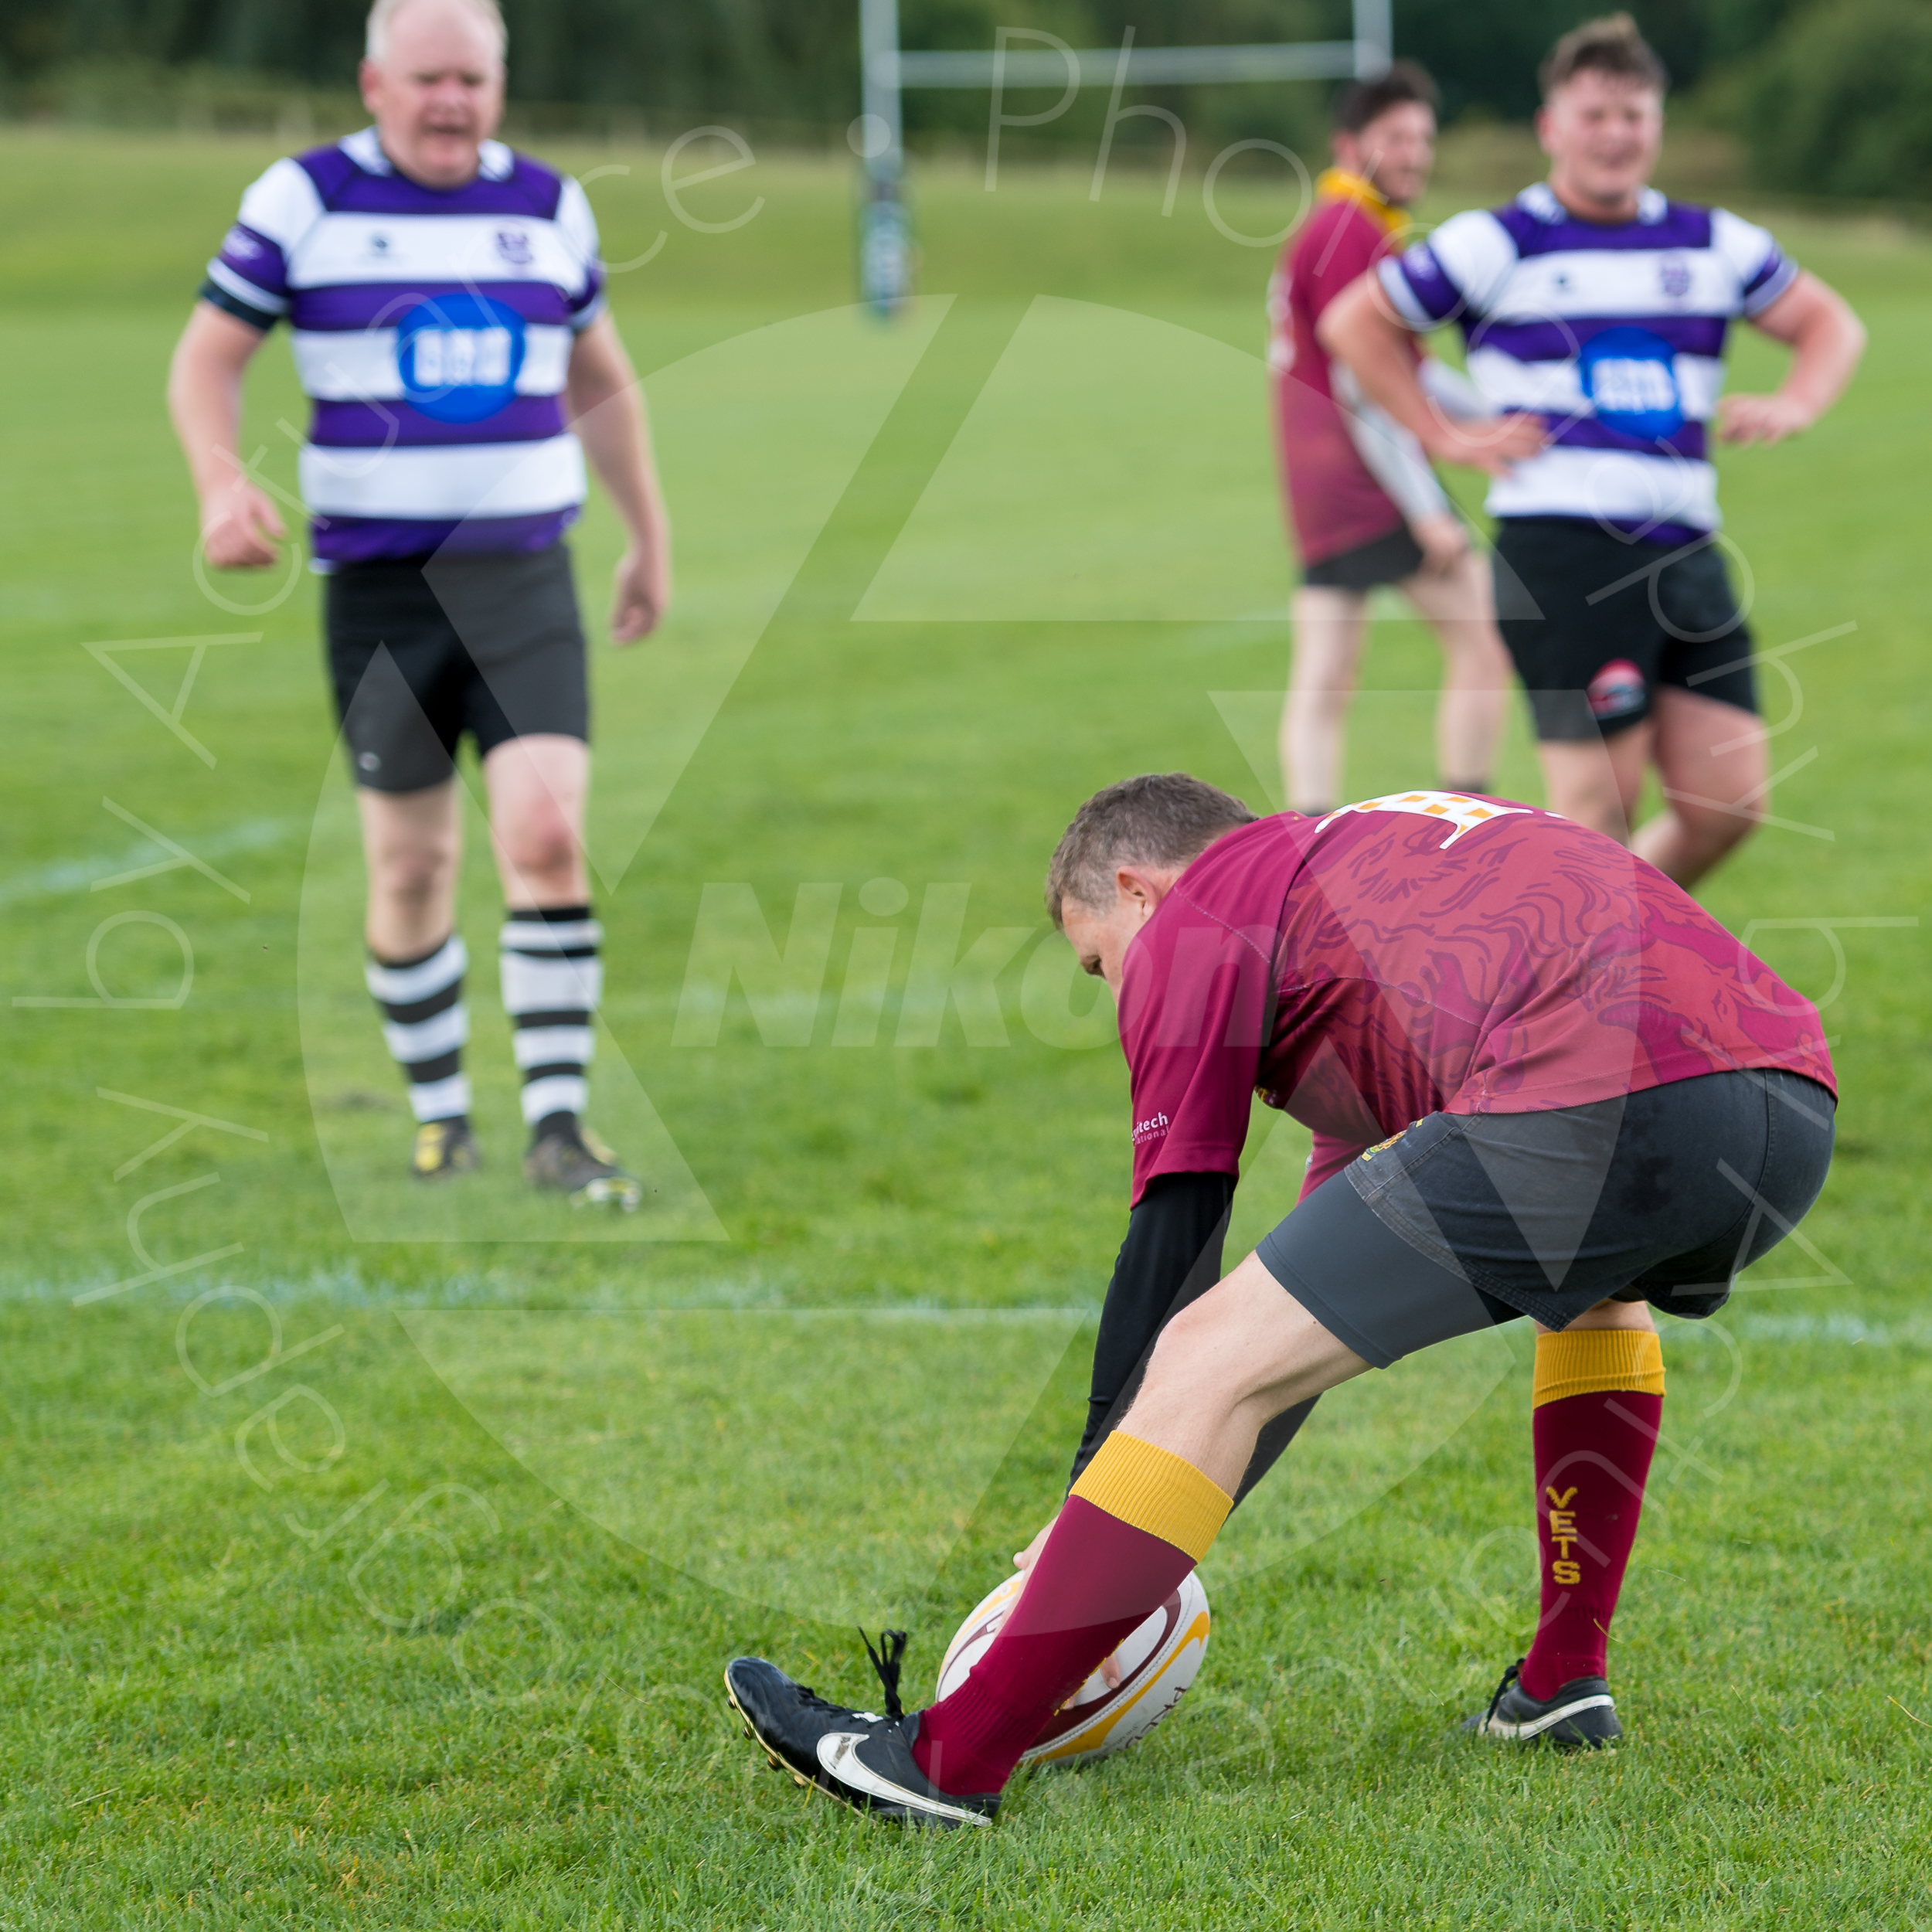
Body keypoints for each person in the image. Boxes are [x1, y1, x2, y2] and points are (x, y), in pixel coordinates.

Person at [724, 773, 1836, 1825]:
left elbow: (1177, 1241)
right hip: (1781, 1106)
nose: (1117, 992)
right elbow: (1304, 1329)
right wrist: (1149, 1501)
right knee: (1593, 1295)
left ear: (1135, 890)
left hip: (1602, 1091)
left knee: (1204, 1349)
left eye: (1099, 964)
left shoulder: (1202, 910)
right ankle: (1561, 1684)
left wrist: (1085, 1492)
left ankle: (942, 1763)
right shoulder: (1345, 883)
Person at [166, 0, 671, 1204]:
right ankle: (443, 1118)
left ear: (499, 85)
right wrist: (219, 486)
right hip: (382, 591)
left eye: (473, 79)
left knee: (545, 835)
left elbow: (603, 382)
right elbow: (208, 357)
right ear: (373, 81)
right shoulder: (304, 199)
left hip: (523, 578)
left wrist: (648, 536)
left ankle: (559, 1126)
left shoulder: (548, 206)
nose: (451, 100)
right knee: (409, 869)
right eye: (428, 77)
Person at [1318, 14, 1864, 886]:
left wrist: (1798, 399)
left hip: (1685, 547)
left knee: (1728, 801)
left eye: (1633, 114)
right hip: (1563, 552)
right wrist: (1439, 433)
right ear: (1551, 127)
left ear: (1657, 123)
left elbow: (1829, 320)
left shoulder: (1708, 241)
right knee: (1595, 818)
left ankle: (1596, 951)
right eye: (1594, 115)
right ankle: (1587, 996)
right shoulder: (1497, 241)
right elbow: (1352, 322)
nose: (1615, 134)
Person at [1267, 60, 1513, 816]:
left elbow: (1409, 370)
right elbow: (1360, 385)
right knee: (1485, 643)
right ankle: (1463, 832)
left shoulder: (1335, 223)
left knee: (1325, 672)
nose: (1413, 153)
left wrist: (1492, 417)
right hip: (1365, 479)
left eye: (1422, 137)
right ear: (1350, 145)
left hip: (1314, 485)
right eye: (1394, 137)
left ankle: (1303, 852)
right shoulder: (1353, 229)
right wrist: (1425, 508)